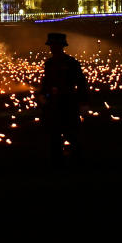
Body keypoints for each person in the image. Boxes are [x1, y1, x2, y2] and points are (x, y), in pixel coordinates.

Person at [38, 32, 88, 166]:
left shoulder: (71, 63)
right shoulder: (49, 64)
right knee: (54, 134)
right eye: (51, 45)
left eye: (55, 45)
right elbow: (46, 82)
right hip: (53, 103)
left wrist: (83, 102)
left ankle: (77, 160)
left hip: (69, 102)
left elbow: (81, 83)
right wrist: (43, 95)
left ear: (61, 46)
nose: (52, 48)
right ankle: (57, 161)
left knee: (72, 133)